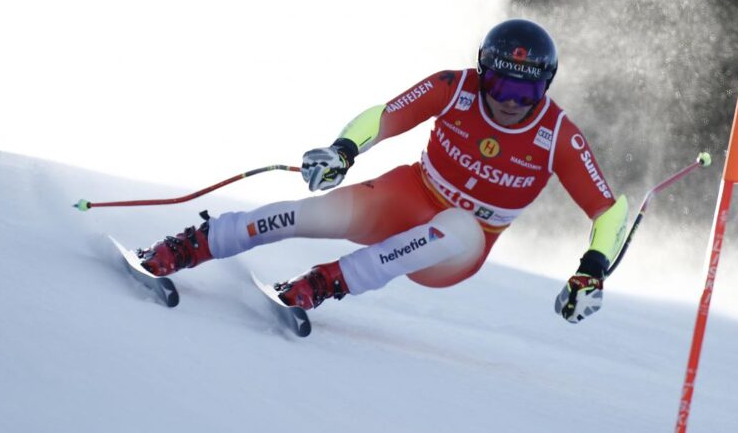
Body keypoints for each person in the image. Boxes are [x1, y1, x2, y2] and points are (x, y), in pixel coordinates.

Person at [137, 19, 627, 324]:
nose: (508, 103)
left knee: (456, 226)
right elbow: (386, 115)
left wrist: (592, 271)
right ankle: (190, 245)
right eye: (498, 85)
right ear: (483, 71)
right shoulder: (454, 86)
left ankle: (325, 282)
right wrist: (343, 150)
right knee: (314, 215)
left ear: (546, 87)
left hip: (459, 245)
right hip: (409, 194)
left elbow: (608, 211)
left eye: (525, 94)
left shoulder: (559, 134)